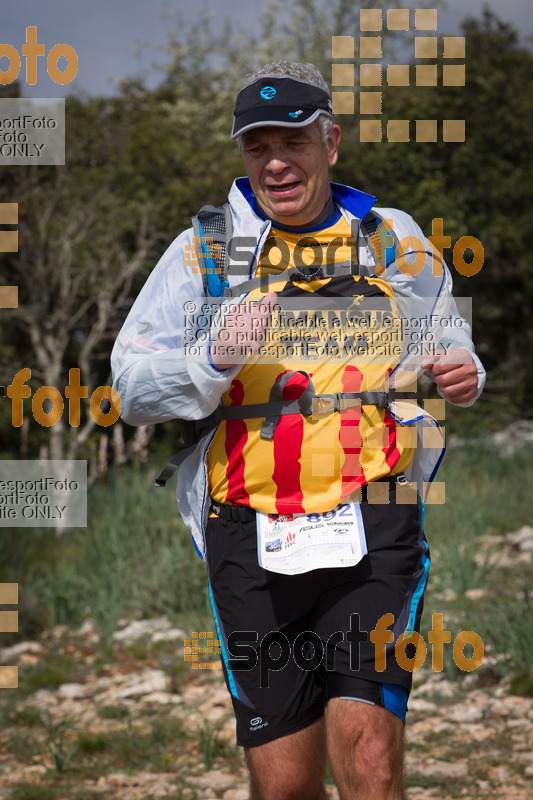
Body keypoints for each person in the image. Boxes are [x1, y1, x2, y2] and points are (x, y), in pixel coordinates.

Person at [111, 61, 485, 800]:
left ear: (330, 142)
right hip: (248, 526)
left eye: (293, 140)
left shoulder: (391, 240)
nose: (275, 161)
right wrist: (211, 357)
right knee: (284, 784)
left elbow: (447, 336)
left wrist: (462, 368)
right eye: (257, 147)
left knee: (368, 742)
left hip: (374, 515)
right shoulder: (206, 255)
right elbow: (129, 388)